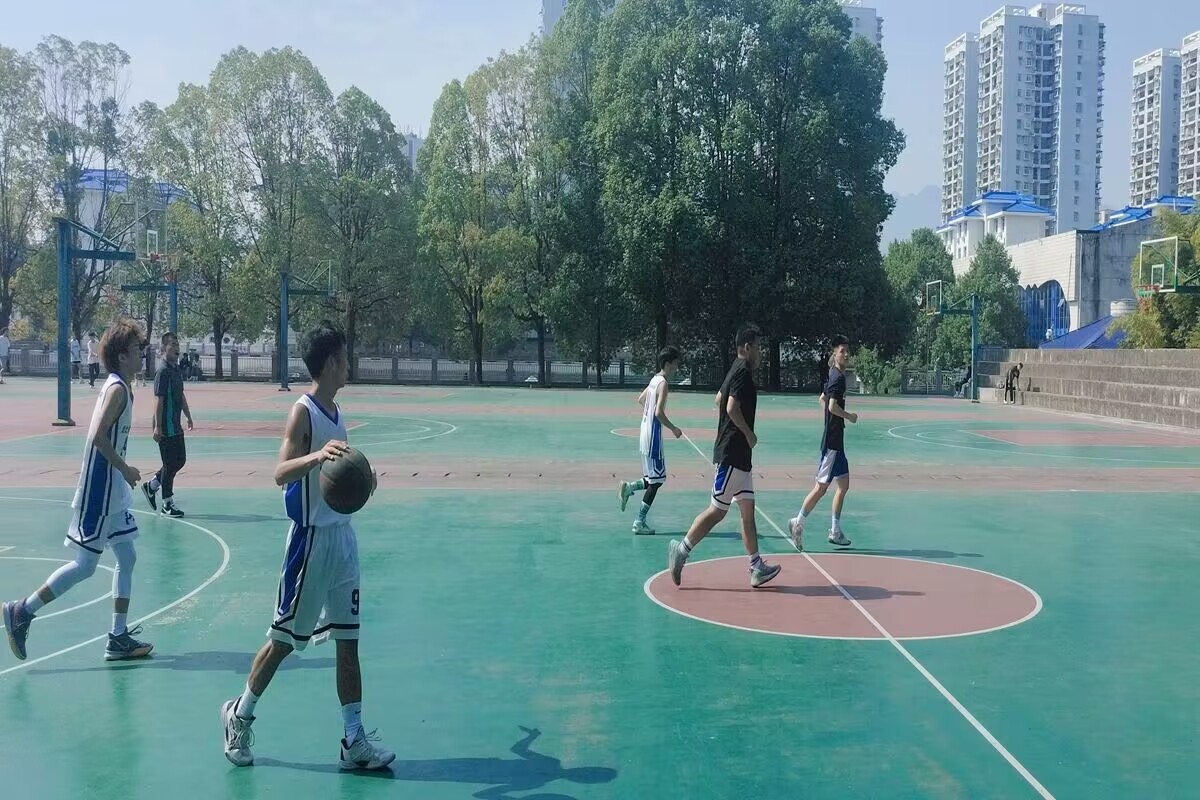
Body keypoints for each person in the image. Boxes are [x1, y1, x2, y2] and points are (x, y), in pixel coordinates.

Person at [221, 320, 393, 771]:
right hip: (310, 543)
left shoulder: (337, 412)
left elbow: (337, 482)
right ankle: (239, 715)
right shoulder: (303, 412)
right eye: (345, 356)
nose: (349, 363)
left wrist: (364, 481)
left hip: (343, 541)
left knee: (349, 642)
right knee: (283, 641)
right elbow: (280, 473)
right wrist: (317, 456)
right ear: (332, 362)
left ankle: (354, 740)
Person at [2, 319, 153, 662]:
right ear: (121, 356)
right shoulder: (117, 390)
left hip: (113, 491)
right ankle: (22, 610)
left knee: (127, 557)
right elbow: (98, 437)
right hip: (100, 490)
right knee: (85, 565)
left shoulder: (121, 386)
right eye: (136, 350)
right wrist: (125, 468)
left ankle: (118, 636)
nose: (141, 355)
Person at [666, 325, 781, 589]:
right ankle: (681, 550)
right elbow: (729, 407)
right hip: (732, 454)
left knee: (747, 512)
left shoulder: (735, 369)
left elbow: (719, 398)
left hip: (740, 457)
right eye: (759, 347)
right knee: (717, 511)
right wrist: (748, 433)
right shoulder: (742, 372)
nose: (761, 353)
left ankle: (756, 567)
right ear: (747, 348)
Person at [789, 335, 858, 550]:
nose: (846, 354)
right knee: (820, 488)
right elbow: (831, 406)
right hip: (832, 443)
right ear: (834, 353)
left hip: (837, 441)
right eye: (842, 351)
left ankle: (835, 531)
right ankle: (798, 521)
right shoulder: (838, 378)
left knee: (844, 485)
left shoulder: (833, 374)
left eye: (847, 351)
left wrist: (831, 419)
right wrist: (848, 416)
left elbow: (822, 399)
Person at [618, 347, 683, 535]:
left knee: (653, 477)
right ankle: (639, 521)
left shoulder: (654, 380)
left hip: (644, 432)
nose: (676, 368)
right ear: (668, 364)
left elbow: (641, 399)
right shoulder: (663, 384)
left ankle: (629, 488)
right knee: (657, 481)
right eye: (675, 364)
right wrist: (674, 428)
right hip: (653, 436)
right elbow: (659, 413)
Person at [142, 332, 194, 518]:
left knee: (180, 460)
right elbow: (159, 399)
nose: (177, 348)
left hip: (175, 424)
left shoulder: (176, 369)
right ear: (163, 348)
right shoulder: (162, 371)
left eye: (178, 344)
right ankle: (167, 503)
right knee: (169, 464)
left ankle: (152, 485)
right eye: (173, 345)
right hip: (165, 425)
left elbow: (181, 394)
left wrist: (188, 415)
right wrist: (157, 426)